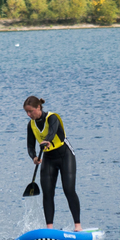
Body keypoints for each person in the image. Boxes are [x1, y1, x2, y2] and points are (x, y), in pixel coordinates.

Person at [23, 96, 81, 231]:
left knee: (69, 190)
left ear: (38, 107)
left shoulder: (52, 117)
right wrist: (34, 157)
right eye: (26, 112)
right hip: (48, 158)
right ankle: (50, 229)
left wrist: (47, 140)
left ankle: (78, 226)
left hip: (65, 155)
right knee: (48, 193)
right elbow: (30, 146)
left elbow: (52, 131)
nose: (28, 115)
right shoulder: (30, 125)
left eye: (31, 111)